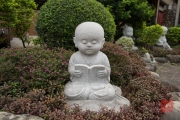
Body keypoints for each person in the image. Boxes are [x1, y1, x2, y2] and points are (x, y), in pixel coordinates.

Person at [64, 22, 115, 100]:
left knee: (110, 92)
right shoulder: (75, 56)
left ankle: (89, 94)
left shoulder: (103, 57)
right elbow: (71, 67)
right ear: (75, 41)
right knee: (68, 91)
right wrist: (72, 71)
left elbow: (108, 68)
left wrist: (105, 72)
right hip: (79, 85)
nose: (89, 45)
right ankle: (91, 95)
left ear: (102, 42)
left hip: (98, 85)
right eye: (84, 42)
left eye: (94, 42)